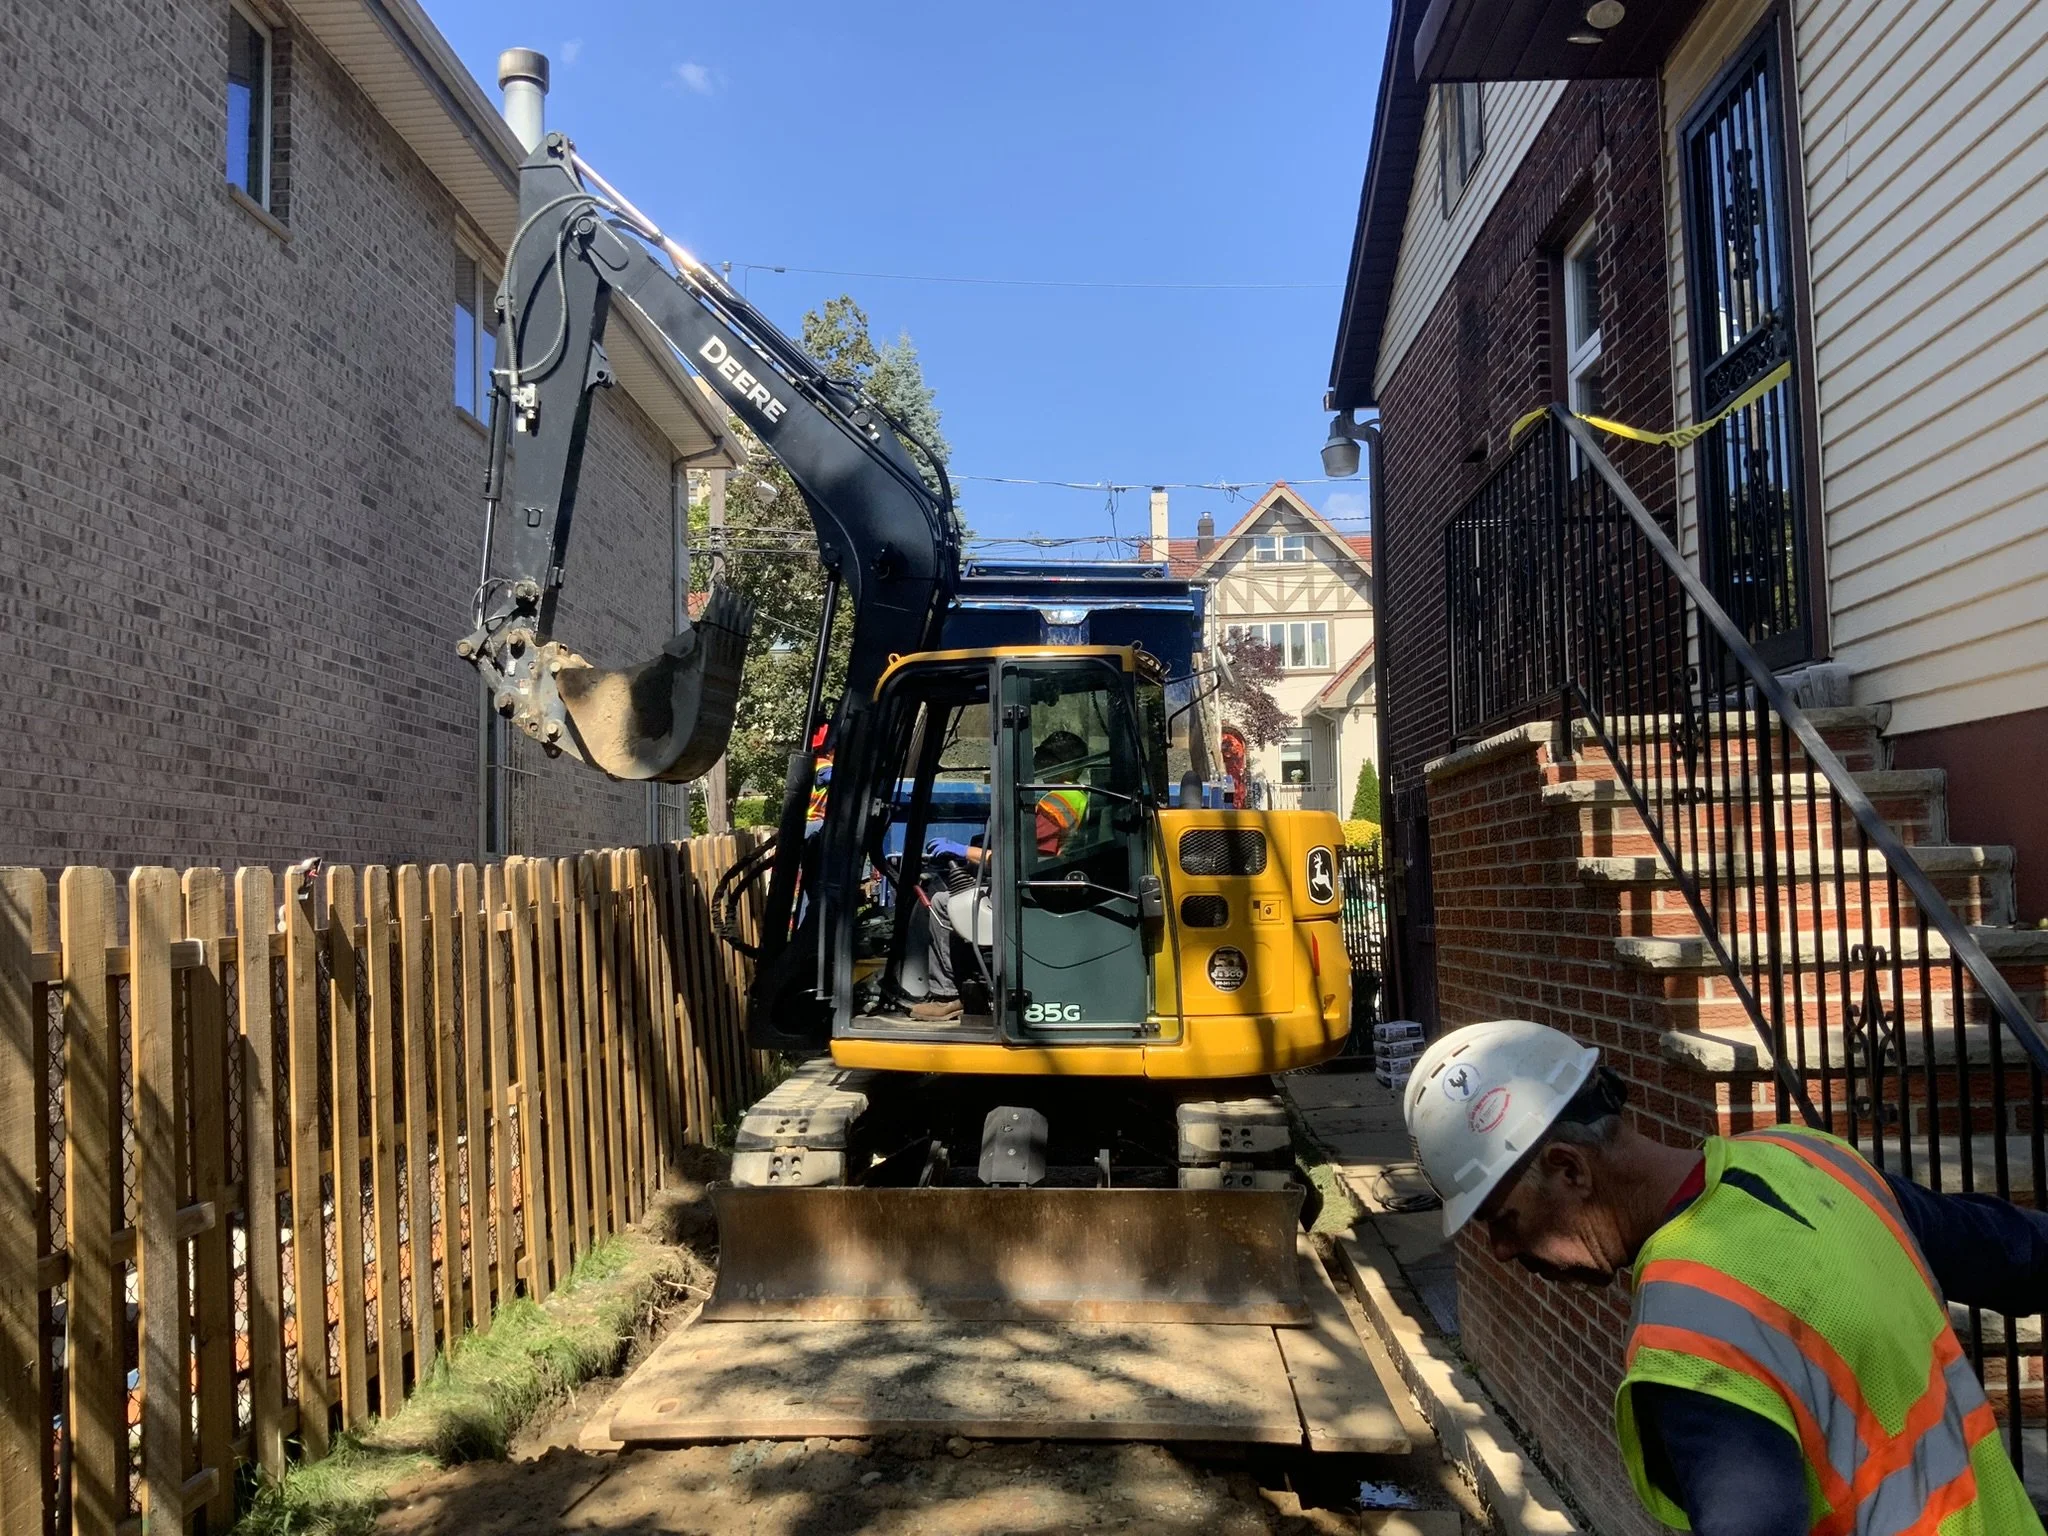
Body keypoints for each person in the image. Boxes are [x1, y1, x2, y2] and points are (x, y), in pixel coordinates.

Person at [1404, 1019, 2048, 1536]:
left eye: (1502, 1218)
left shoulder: (1690, 1336)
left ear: (1570, 1170)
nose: (1503, 1251)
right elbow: (2017, 1253)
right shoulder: (1812, 1160)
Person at [925, 728, 1093, 868]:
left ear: (1062, 765)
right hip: (1060, 877)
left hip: (1043, 890)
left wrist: (963, 850)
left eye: (1045, 756)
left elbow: (1021, 862)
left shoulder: (1056, 803)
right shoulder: (1078, 793)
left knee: (942, 900)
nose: (1038, 761)